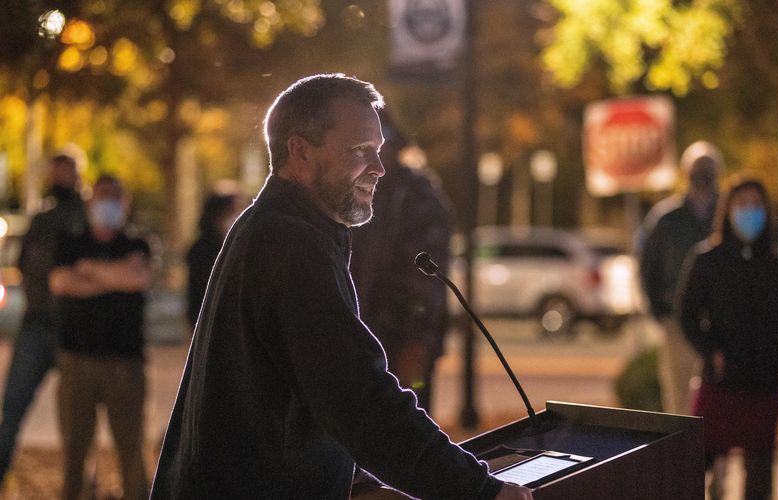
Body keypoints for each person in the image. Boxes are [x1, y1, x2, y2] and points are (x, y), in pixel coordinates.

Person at [150, 74, 531, 499]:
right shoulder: (292, 246)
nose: (379, 168)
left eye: (379, 151)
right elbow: (360, 400)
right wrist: (480, 491)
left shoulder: (269, 227)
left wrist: (359, 479)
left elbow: (305, 396)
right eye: (359, 151)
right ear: (300, 151)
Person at [677, 176, 778, 500]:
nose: (750, 211)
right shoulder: (707, 260)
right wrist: (710, 350)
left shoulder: (775, 265)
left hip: (763, 382)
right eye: (742, 204)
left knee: (759, 470)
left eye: (756, 204)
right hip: (720, 379)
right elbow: (687, 314)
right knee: (697, 460)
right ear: (728, 209)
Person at [49, 175, 153, 500]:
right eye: (102, 196)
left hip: (126, 363)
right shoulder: (70, 242)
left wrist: (89, 271)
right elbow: (61, 283)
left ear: (126, 204)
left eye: (115, 197)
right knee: (74, 456)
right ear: (90, 201)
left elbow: (138, 279)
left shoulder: (139, 244)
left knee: (132, 452)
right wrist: (115, 276)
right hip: (76, 360)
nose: (108, 204)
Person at [350, 110, 451, 415]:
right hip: (361, 339)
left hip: (399, 341)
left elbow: (427, 280)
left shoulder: (416, 197)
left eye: (378, 147)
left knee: (407, 426)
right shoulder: (350, 194)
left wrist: (418, 342)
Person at [0, 153, 86, 484]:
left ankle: (80, 485)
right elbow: (25, 265)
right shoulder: (42, 220)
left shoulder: (85, 218)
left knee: (79, 420)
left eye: (64, 174)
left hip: (73, 329)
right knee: (12, 409)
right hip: (36, 323)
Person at [638, 140, 722, 415]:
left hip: (719, 324)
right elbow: (647, 267)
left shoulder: (725, 215)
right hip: (676, 322)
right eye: (698, 169)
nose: (703, 177)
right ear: (685, 172)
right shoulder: (666, 219)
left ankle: (713, 457)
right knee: (679, 400)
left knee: (717, 399)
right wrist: (658, 311)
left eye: (708, 170)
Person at [185, 188, 241, 328]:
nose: (239, 215)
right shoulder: (202, 251)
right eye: (233, 210)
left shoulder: (239, 247)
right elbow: (198, 299)